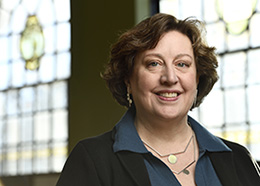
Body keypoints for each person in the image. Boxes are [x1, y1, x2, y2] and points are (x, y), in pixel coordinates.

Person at [56, 13, 260, 186]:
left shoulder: (239, 159)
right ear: (128, 78)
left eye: (182, 64)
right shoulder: (92, 160)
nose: (170, 78)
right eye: (154, 63)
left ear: (197, 78)